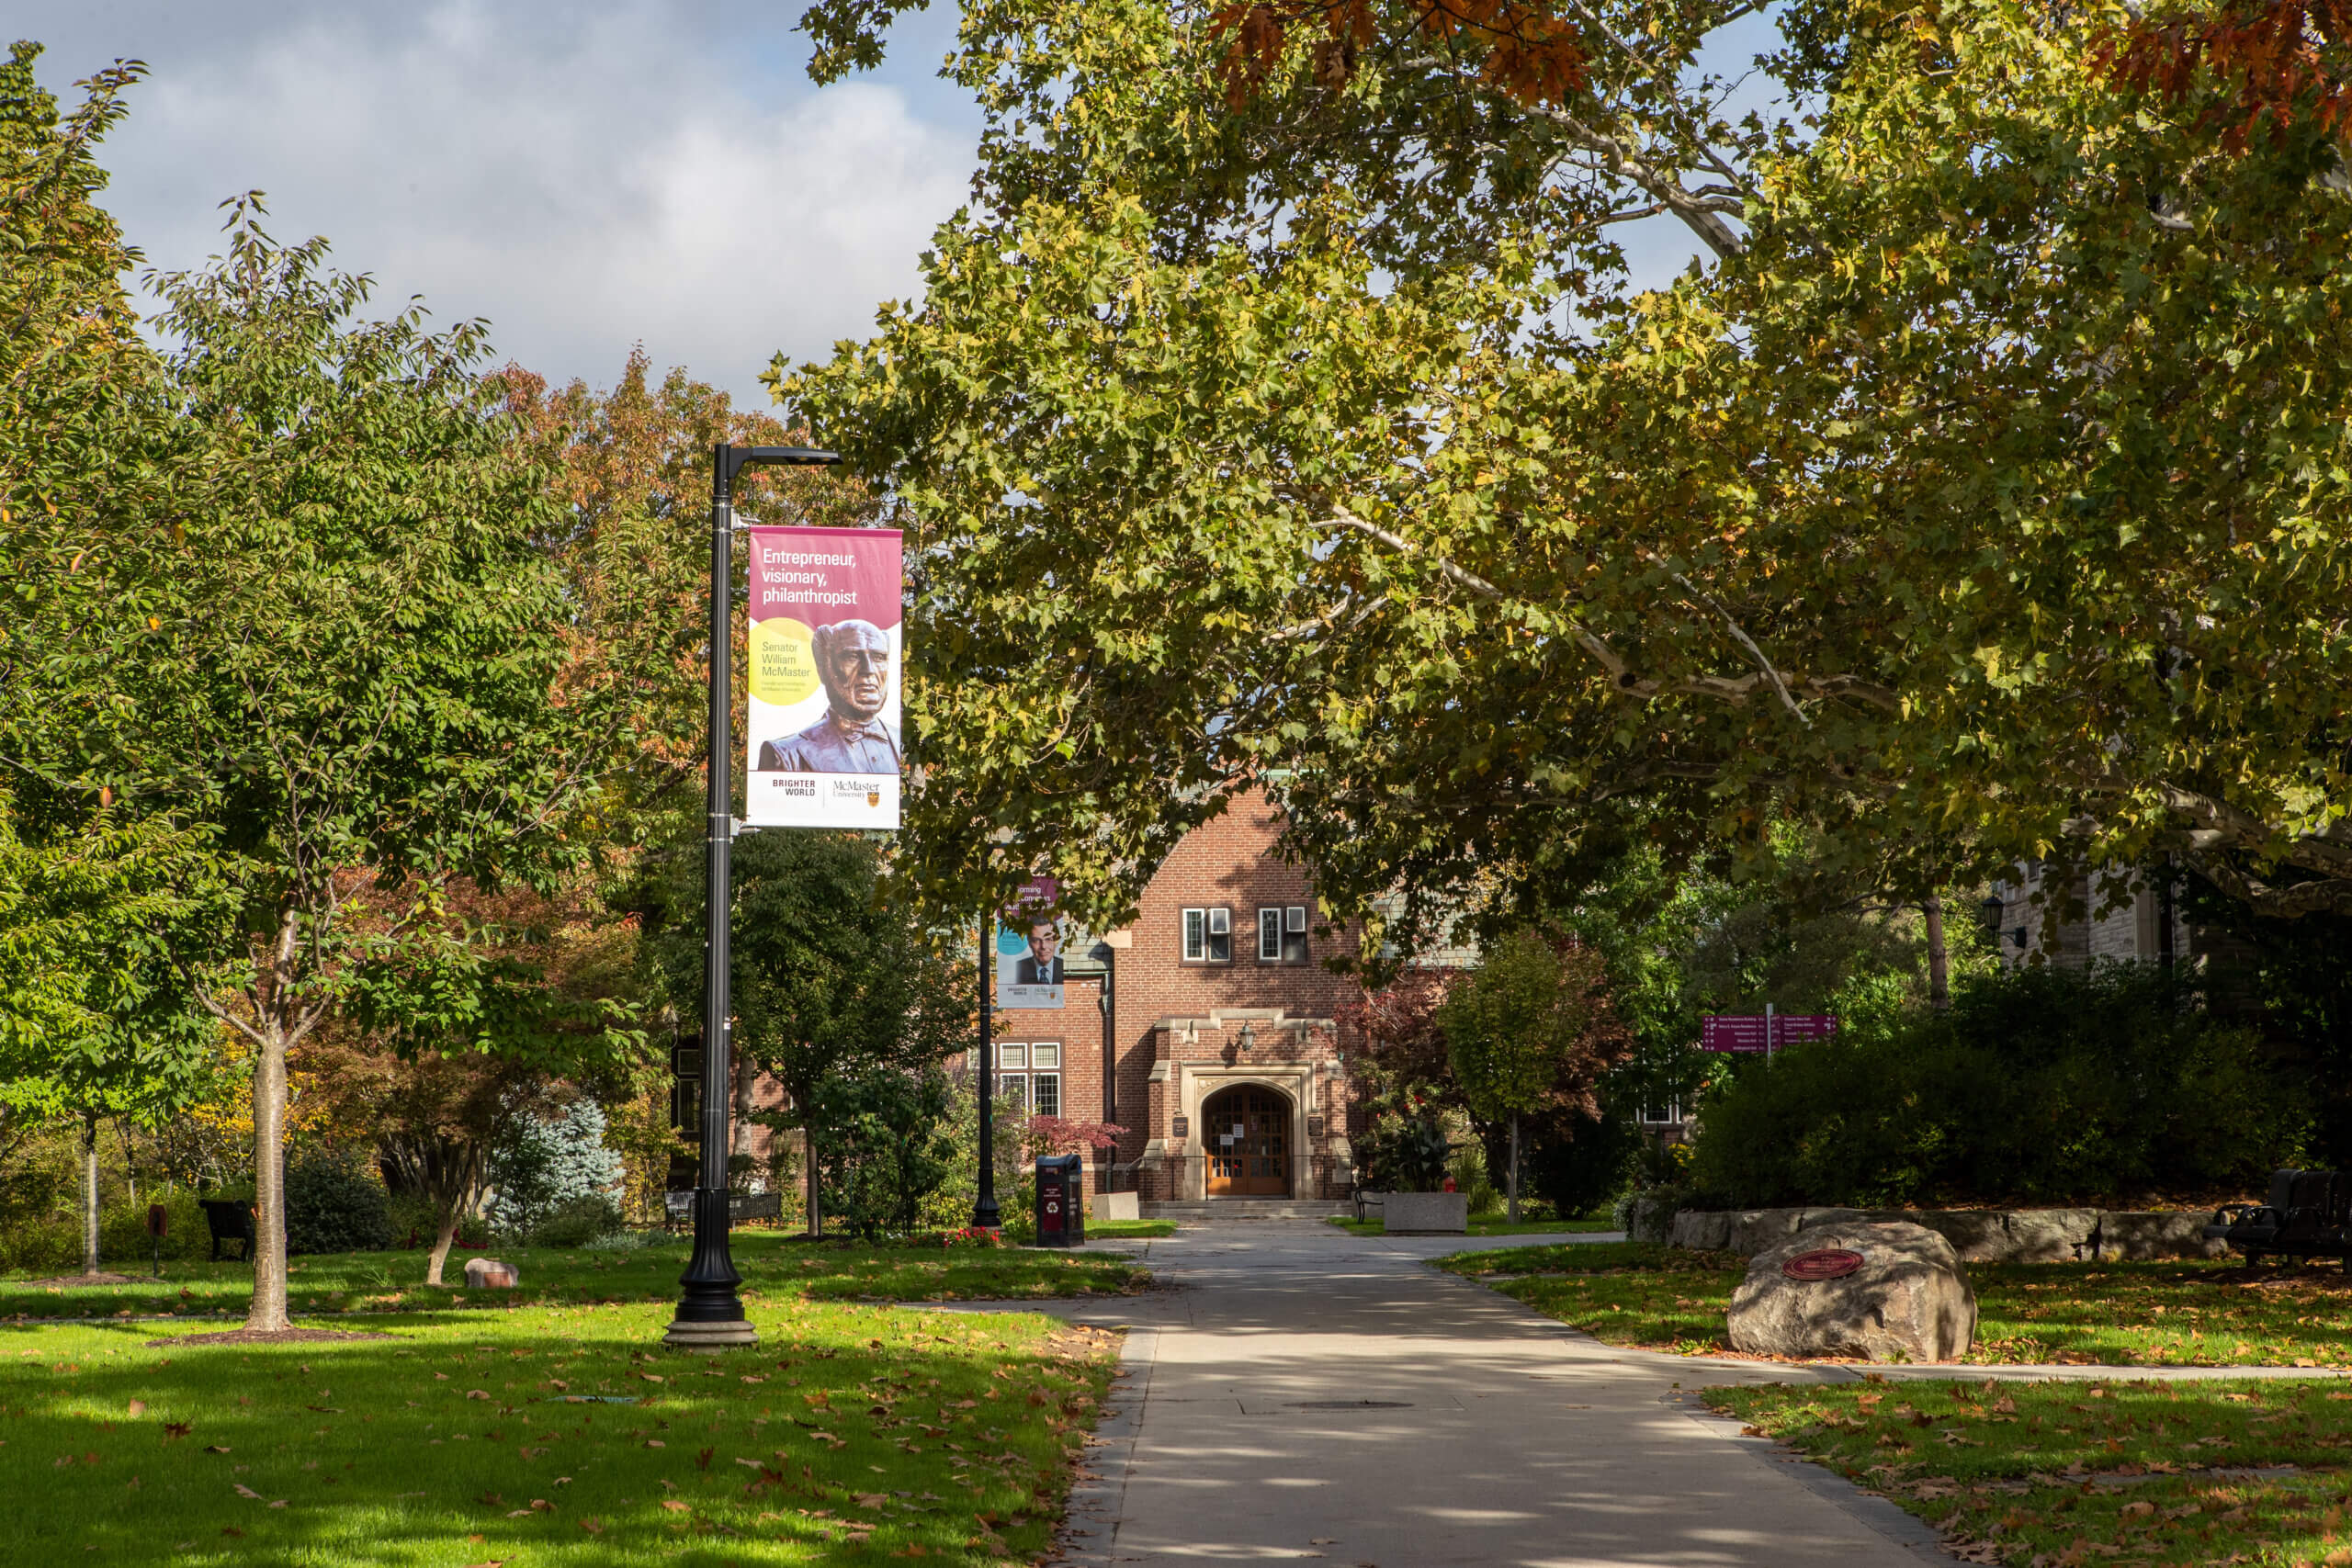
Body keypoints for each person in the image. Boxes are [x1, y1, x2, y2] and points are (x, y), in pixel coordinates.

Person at [757, 619, 901, 773]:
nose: (869, 670)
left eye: (878, 658)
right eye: (852, 656)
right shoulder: (786, 754)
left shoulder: (907, 744)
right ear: (823, 669)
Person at [1015, 920, 1064, 985]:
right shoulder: (1017, 969)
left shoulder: (1063, 967)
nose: (1043, 946)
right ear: (1029, 942)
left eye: (1048, 939)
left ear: (1056, 941)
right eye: (1036, 940)